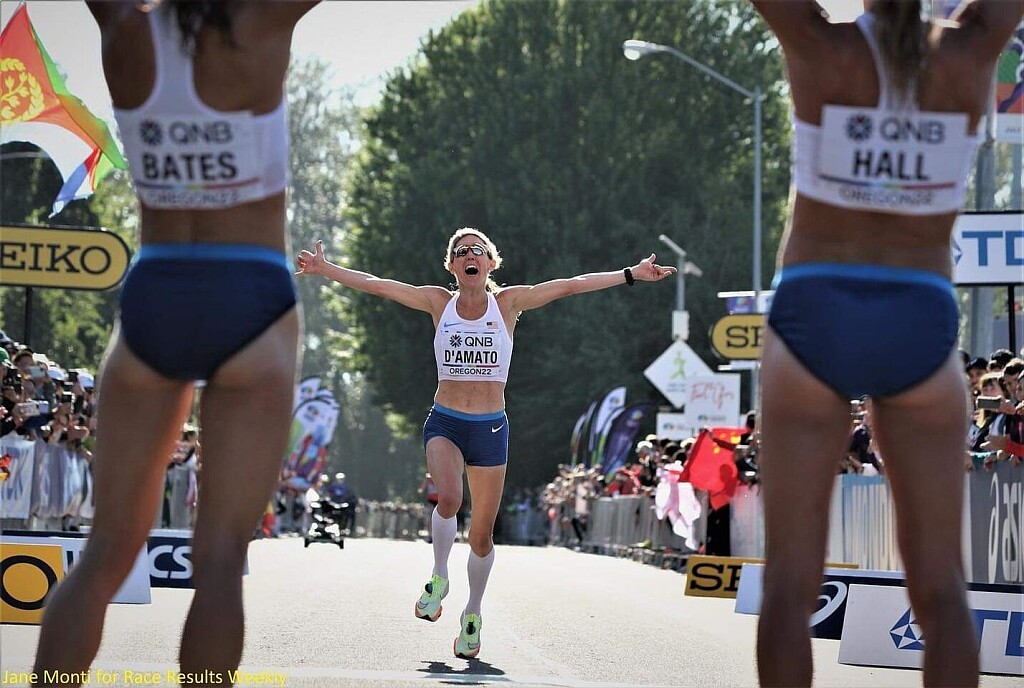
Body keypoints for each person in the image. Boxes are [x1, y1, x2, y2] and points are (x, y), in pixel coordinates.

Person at [33, 2, 318, 685]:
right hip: (250, 288)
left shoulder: (123, 29)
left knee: (104, 551)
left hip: (158, 287)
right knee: (218, 560)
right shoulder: (259, 24)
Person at [747, 1, 1024, 686]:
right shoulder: (970, 49)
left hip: (815, 304)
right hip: (917, 311)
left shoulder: (817, 41)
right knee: (942, 589)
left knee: (788, 584)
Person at [295, 228, 674, 658]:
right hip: (446, 422)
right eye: (461, 252)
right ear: (452, 266)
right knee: (449, 498)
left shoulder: (507, 304)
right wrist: (326, 269)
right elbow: (377, 285)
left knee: (481, 536)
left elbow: (571, 285)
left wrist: (630, 274)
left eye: (478, 250)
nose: (470, 255)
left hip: (491, 429)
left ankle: (472, 613)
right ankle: (439, 575)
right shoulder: (439, 303)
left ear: (490, 263)